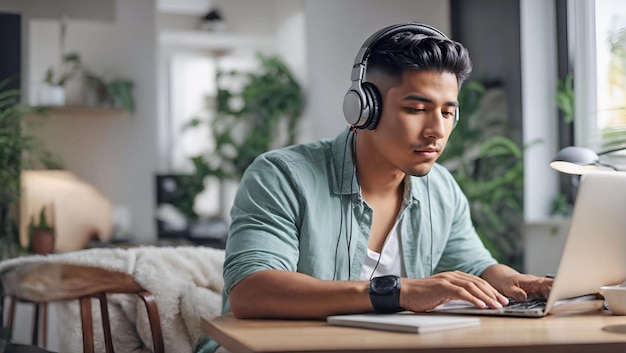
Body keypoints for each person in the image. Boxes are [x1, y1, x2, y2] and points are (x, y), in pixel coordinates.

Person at [220, 23, 552, 322]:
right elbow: (250, 291)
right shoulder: (282, 176)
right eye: (416, 109)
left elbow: (473, 265)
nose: (436, 130)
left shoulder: (441, 188)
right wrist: (396, 291)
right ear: (364, 109)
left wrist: (514, 281)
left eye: (448, 112)